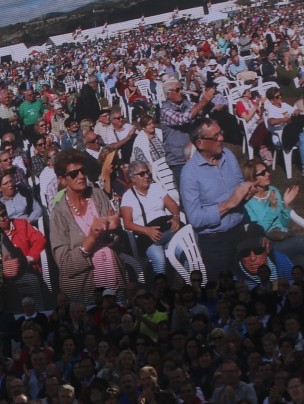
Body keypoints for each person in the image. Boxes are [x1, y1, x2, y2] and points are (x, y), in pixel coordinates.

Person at [180, 118, 254, 281]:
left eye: (221, 133)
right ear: (200, 143)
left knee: (250, 281)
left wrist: (246, 193)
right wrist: (230, 204)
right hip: (217, 243)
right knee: (226, 288)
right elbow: (196, 219)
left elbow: (239, 184)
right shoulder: (189, 174)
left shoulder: (228, 155)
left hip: (240, 232)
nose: (221, 138)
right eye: (215, 137)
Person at [50, 148, 125, 305]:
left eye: (83, 171)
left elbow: (118, 242)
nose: (81, 176)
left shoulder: (97, 195)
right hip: (85, 292)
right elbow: (66, 266)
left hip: (114, 283)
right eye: (74, 174)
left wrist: (115, 230)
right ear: (62, 180)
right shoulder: (58, 214)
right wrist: (91, 238)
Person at [120, 160, 183, 279]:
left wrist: (175, 217)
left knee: (183, 251)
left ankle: (192, 283)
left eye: (147, 172)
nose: (146, 176)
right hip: (146, 237)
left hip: (166, 230)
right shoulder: (128, 196)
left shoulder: (156, 188)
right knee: (159, 259)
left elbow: (173, 206)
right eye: (142, 174)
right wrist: (147, 230)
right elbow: (127, 224)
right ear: (133, 178)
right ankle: (161, 287)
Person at [242, 158, 304, 266]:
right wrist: (272, 208)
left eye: (267, 170)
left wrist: (286, 205)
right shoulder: (248, 203)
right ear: (252, 178)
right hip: (269, 245)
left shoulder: (273, 190)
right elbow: (259, 231)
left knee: (300, 263)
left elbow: (283, 224)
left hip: (284, 236)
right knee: (301, 242)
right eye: (262, 173)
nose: (268, 174)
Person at [159, 77, 218, 187]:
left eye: (181, 88)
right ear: (168, 94)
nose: (181, 91)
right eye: (177, 90)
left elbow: (199, 112)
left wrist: (209, 100)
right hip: (179, 160)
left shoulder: (185, 103)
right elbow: (183, 119)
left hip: (194, 155)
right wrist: (204, 101)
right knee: (187, 192)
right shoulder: (165, 110)